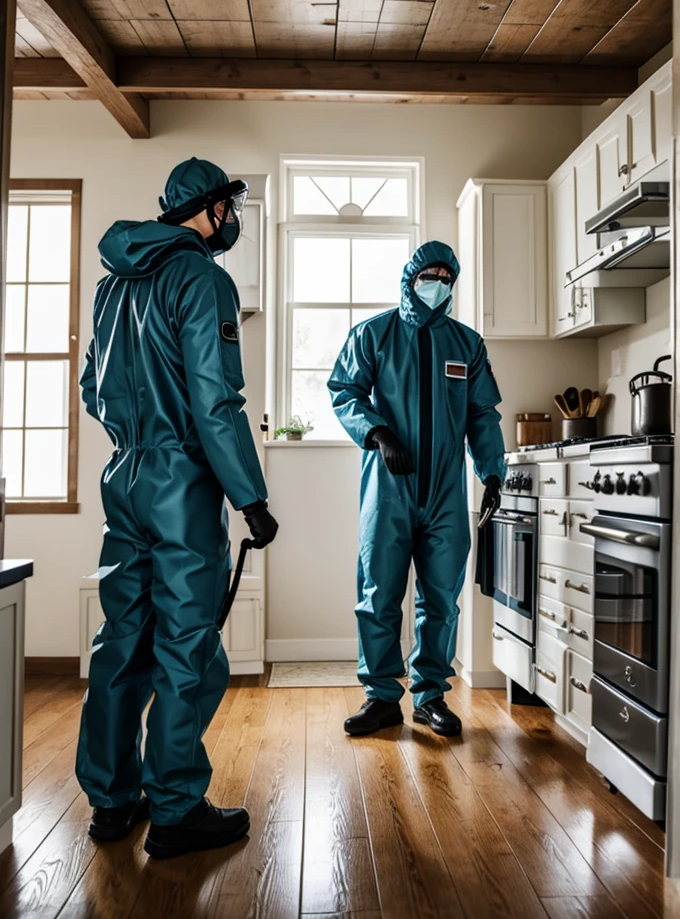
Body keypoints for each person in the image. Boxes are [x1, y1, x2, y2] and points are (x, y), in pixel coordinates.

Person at [76, 158, 278, 859]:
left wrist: (134, 437)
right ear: (210, 208)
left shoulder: (113, 286)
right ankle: (176, 809)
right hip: (181, 485)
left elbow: (90, 389)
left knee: (120, 640)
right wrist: (250, 497)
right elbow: (216, 403)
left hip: (123, 478)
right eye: (230, 206)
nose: (233, 220)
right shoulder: (202, 279)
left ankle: (111, 802)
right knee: (187, 648)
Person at [328, 240, 506, 737]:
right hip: (388, 489)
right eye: (430, 274)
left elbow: (482, 414)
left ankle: (430, 697)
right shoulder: (373, 334)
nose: (439, 284)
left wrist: (492, 472)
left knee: (441, 600)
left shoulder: (466, 344)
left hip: (446, 493)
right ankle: (381, 697)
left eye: (448, 278)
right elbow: (343, 391)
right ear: (410, 277)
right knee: (378, 595)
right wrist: (378, 432)